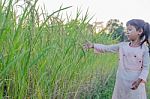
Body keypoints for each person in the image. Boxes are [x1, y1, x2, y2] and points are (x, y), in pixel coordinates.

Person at [83, 19, 150, 99]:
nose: (127, 32)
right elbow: (107, 48)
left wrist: (139, 81)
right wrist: (93, 45)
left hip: (136, 82)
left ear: (140, 31)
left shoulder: (144, 49)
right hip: (121, 80)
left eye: (130, 29)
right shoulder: (122, 46)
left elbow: (146, 68)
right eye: (126, 30)